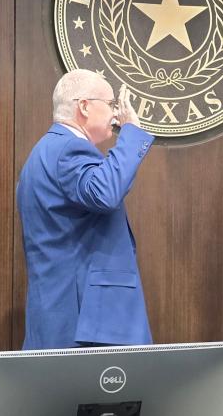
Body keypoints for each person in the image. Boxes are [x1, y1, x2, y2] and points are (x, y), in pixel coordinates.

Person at [17, 69, 154, 350]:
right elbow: (104, 193)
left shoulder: (45, 151)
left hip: (63, 314)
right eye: (112, 104)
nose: (117, 115)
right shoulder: (68, 149)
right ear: (84, 106)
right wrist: (132, 134)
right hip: (86, 323)